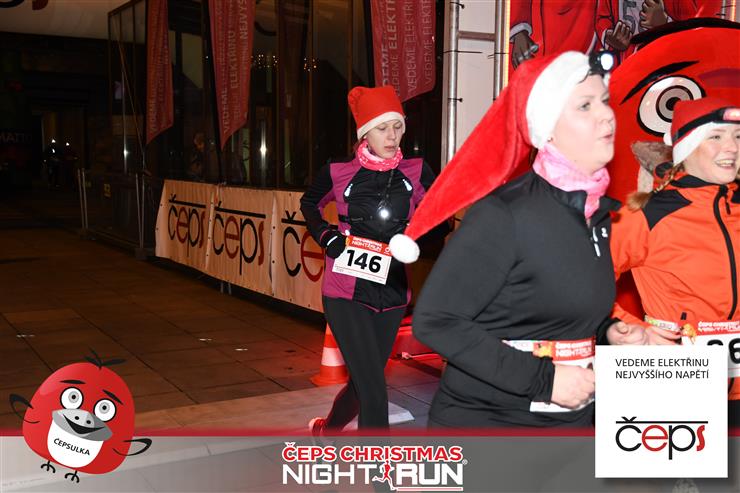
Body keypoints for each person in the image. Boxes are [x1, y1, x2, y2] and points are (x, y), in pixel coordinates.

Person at [389, 51, 641, 428]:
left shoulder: (595, 213)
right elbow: (436, 321)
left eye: (604, 100)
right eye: (585, 106)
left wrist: (607, 333)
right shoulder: (505, 215)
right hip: (490, 429)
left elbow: (548, 311)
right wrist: (543, 380)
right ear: (547, 128)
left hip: (569, 427)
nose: (606, 114)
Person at [300, 85, 441, 432]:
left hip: (392, 293)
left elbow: (440, 218)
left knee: (365, 385)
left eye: (398, 126)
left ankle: (326, 431)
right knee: (375, 391)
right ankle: (378, 466)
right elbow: (309, 203)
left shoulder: (417, 171)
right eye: (382, 128)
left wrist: (416, 239)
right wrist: (326, 235)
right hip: (346, 292)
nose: (392, 136)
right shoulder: (339, 172)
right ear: (365, 133)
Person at [609, 97, 740, 422]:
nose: (732, 147)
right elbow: (580, 285)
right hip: (675, 380)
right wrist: (627, 329)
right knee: (675, 458)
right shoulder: (647, 214)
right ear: (686, 147)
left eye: (737, 136)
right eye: (716, 136)